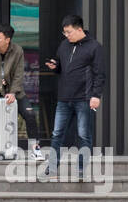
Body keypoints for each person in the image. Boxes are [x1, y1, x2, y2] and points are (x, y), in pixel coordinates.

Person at [43, 15, 105, 178]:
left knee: (84, 134)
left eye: (69, 32)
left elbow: (100, 74)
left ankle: (81, 169)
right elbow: (61, 66)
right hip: (64, 98)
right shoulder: (64, 45)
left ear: (79, 29)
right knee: (57, 134)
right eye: (65, 33)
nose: (67, 36)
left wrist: (96, 95)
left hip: (84, 98)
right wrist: (54, 66)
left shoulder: (94, 47)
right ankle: (52, 168)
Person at [0, 25, 43, 159]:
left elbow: (19, 74)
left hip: (14, 90)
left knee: (29, 114)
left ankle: (35, 148)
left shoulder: (17, 51)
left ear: (7, 40)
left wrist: (12, 92)